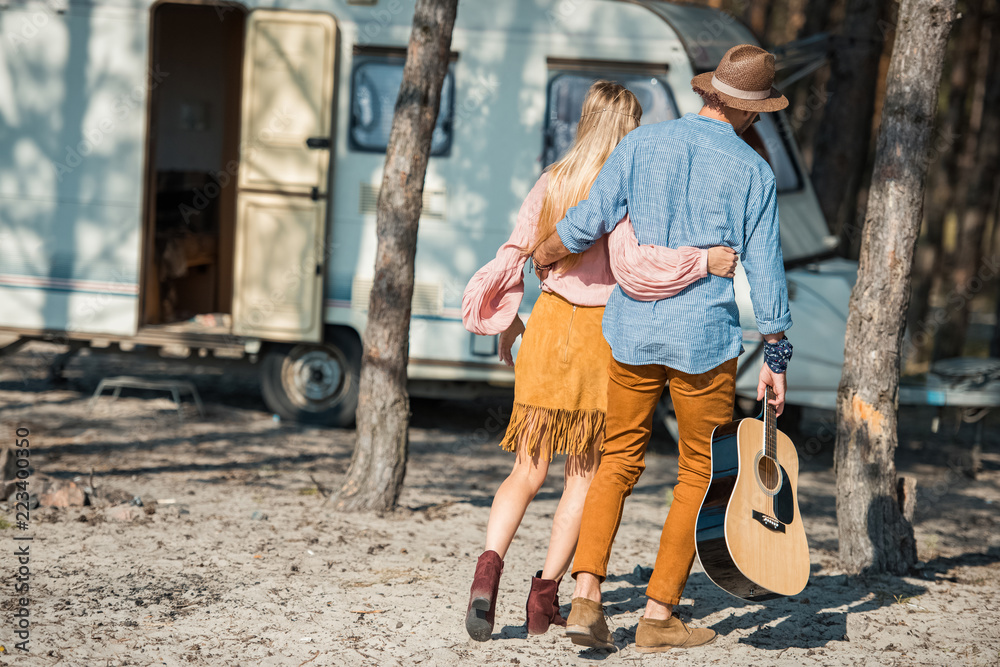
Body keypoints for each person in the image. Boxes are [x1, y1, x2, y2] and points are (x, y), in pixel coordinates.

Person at [532, 44, 795, 653]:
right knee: (698, 474)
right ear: (752, 113)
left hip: (633, 331)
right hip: (703, 340)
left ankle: (587, 600)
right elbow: (767, 272)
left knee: (618, 460)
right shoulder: (754, 173)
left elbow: (588, 221)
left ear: (708, 93)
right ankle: (657, 614)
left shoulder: (641, 145)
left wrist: (540, 252)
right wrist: (775, 354)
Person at [461, 81, 739, 642]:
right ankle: (546, 596)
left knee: (526, 470)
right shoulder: (627, 189)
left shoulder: (552, 181)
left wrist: (508, 321)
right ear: (629, 127)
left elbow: (515, 254)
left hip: (546, 329)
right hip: (600, 339)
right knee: (582, 478)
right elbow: (638, 263)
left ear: (585, 120)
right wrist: (702, 263)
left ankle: (486, 571)